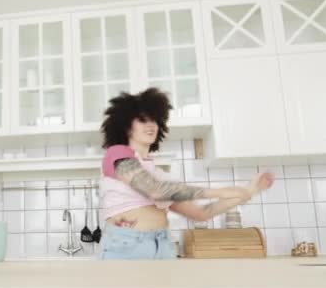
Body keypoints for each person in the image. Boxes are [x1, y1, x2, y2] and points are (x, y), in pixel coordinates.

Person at [99, 88, 274, 260]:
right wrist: (221, 191)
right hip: (126, 246)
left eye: (155, 119)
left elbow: (200, 213)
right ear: (126, 126)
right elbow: (155, 190)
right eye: (142, 119)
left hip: (163, 246)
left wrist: (250, 191)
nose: (151, 124)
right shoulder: (117, 154)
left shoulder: (160, 175)